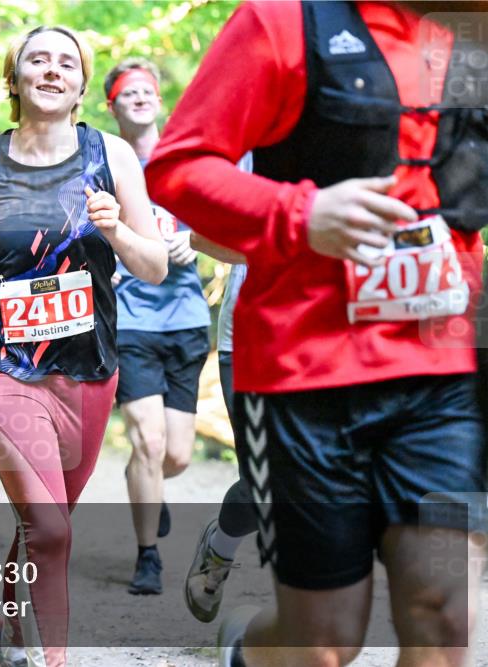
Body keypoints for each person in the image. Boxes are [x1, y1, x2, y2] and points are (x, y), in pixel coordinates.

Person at [148, 2, 486, 666]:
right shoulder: (280, 23)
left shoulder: (472, 34)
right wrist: (301, 212)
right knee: (323, 642)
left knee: (444, 616)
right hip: (303, 373)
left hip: (444, 379)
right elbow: (177, 168)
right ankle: (247, 651)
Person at [0, 26, 168, 666]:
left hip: (87, 367)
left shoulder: (112, 156)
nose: (53, 70)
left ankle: (9, 631)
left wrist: (117, 231)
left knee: (47, 518)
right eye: (38, 60)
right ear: (15, 79)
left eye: (67, 62)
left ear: (82, 87)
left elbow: (153, 267)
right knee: (50, 524)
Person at [103, 57, 212, 596]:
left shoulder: (184, 161)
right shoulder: (104, 165)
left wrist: (193, 240)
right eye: (129, 92)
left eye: (148, 90)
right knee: (147, 440)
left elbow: (222, 227)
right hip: (131, 320)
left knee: (176, 456)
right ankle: (148, 556)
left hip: (186, 318)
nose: (141, 97)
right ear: (113, 105)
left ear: (160, 101)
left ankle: (148, 486)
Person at [184, 155, 257, 624]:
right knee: (263, 482)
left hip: (333, 344)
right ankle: (219, 550)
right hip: (251, 342)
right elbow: (200, 234)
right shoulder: (254, 150)